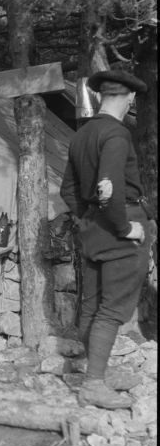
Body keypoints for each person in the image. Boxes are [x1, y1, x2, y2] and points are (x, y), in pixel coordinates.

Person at [60, 69, 152, 409]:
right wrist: (127, 228)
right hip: (121, 231)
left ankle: (93, 369)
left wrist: (88, 218)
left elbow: (67, 189)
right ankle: (94, 385)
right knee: (112, 311)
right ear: (128, 99)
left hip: (94, 231)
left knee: (92, 305)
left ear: (100, 97)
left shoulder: (82, 134)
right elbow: (110, 188)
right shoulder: (116, 135)